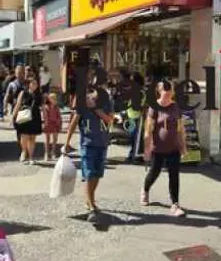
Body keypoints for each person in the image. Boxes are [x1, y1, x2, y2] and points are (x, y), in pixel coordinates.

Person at [64, 68, 114, 223]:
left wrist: (95, 108)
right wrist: (66, 142)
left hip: (102, 142)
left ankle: (90, 198)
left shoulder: (107, 102)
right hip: (88, 144)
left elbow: (109, 120)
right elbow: (74, 122)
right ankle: (92, 205)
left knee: (97, 174)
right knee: (89, 174)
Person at [141, 80, 187, 217]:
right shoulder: (154, 107)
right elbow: (148, 130)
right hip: (158, 149)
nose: (167, 97)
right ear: (159, 92)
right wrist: (147, 149)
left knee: (174, 175)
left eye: (169, 94)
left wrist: (183, 147)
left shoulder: (176, 107)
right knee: (154, 173)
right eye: (165, 94)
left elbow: (180, 129)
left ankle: (175, 204)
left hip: (173, 148)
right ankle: (145, 189)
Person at [13, 78, 43, 165]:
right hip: (25, 116)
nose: (35, 85)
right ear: (29, 84)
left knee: (32, 138)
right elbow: (18, 104)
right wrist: (14, 116)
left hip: (35, 117)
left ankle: (31, 157)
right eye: (33, 83)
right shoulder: (23, 93)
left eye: (36, 84)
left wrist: (46, 118)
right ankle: (24, 151)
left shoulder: (38, 95)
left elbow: (43, 107)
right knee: (24, 136)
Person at [125, 72, 145, 163]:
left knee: (136, 138)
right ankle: (133, 155)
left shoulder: (140, 92)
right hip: (131, 117)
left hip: (137, 118)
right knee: (132, 138)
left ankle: (136, 156)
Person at [4, 65, 26, 146]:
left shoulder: (27, 83)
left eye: (21, 72)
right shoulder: (12, 84)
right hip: (16, 109)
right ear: (15, 73)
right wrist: (5, 107)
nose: (20, 74)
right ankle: (21, 146)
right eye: (18, 72)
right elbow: (7, 96)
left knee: (26, 129)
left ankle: (25, 148)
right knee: (19, 129)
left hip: (26, 109)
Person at [43, 93, 62, 161]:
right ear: (49, 99)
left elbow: (59, 116)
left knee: (55, 139)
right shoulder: (45, 107)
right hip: (48, 124)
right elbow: (45, 116)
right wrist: (45, 123)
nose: (54, 100)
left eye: (55, 98)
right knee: (47, 139)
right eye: (52, 98)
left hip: (55, 124)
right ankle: (46, 153)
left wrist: (59, 123)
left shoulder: (57, 107)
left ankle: (53, 153)